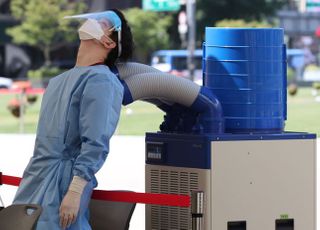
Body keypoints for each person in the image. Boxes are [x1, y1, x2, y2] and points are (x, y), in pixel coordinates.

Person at [13, 9, 133, 230]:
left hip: (64, 182)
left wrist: (75, 190)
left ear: (109, 43)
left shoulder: (102, 80)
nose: (93, 21)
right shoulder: (59, 81)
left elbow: (96, 142)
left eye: (103, 22)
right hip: (35, 175)